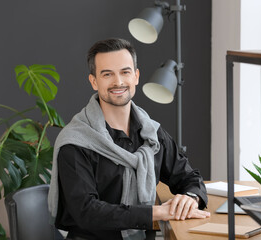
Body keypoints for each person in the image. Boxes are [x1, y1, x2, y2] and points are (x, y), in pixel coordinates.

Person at [48, 38, 210, 240]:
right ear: (94, 81)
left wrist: (190, 198)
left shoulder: (151, 133)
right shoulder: (75, 142)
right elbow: (87, 212)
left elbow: (189, 177)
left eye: (125, 72)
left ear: (136, 76)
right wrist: (157, 212)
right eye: (107, 74)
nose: (118, 82)